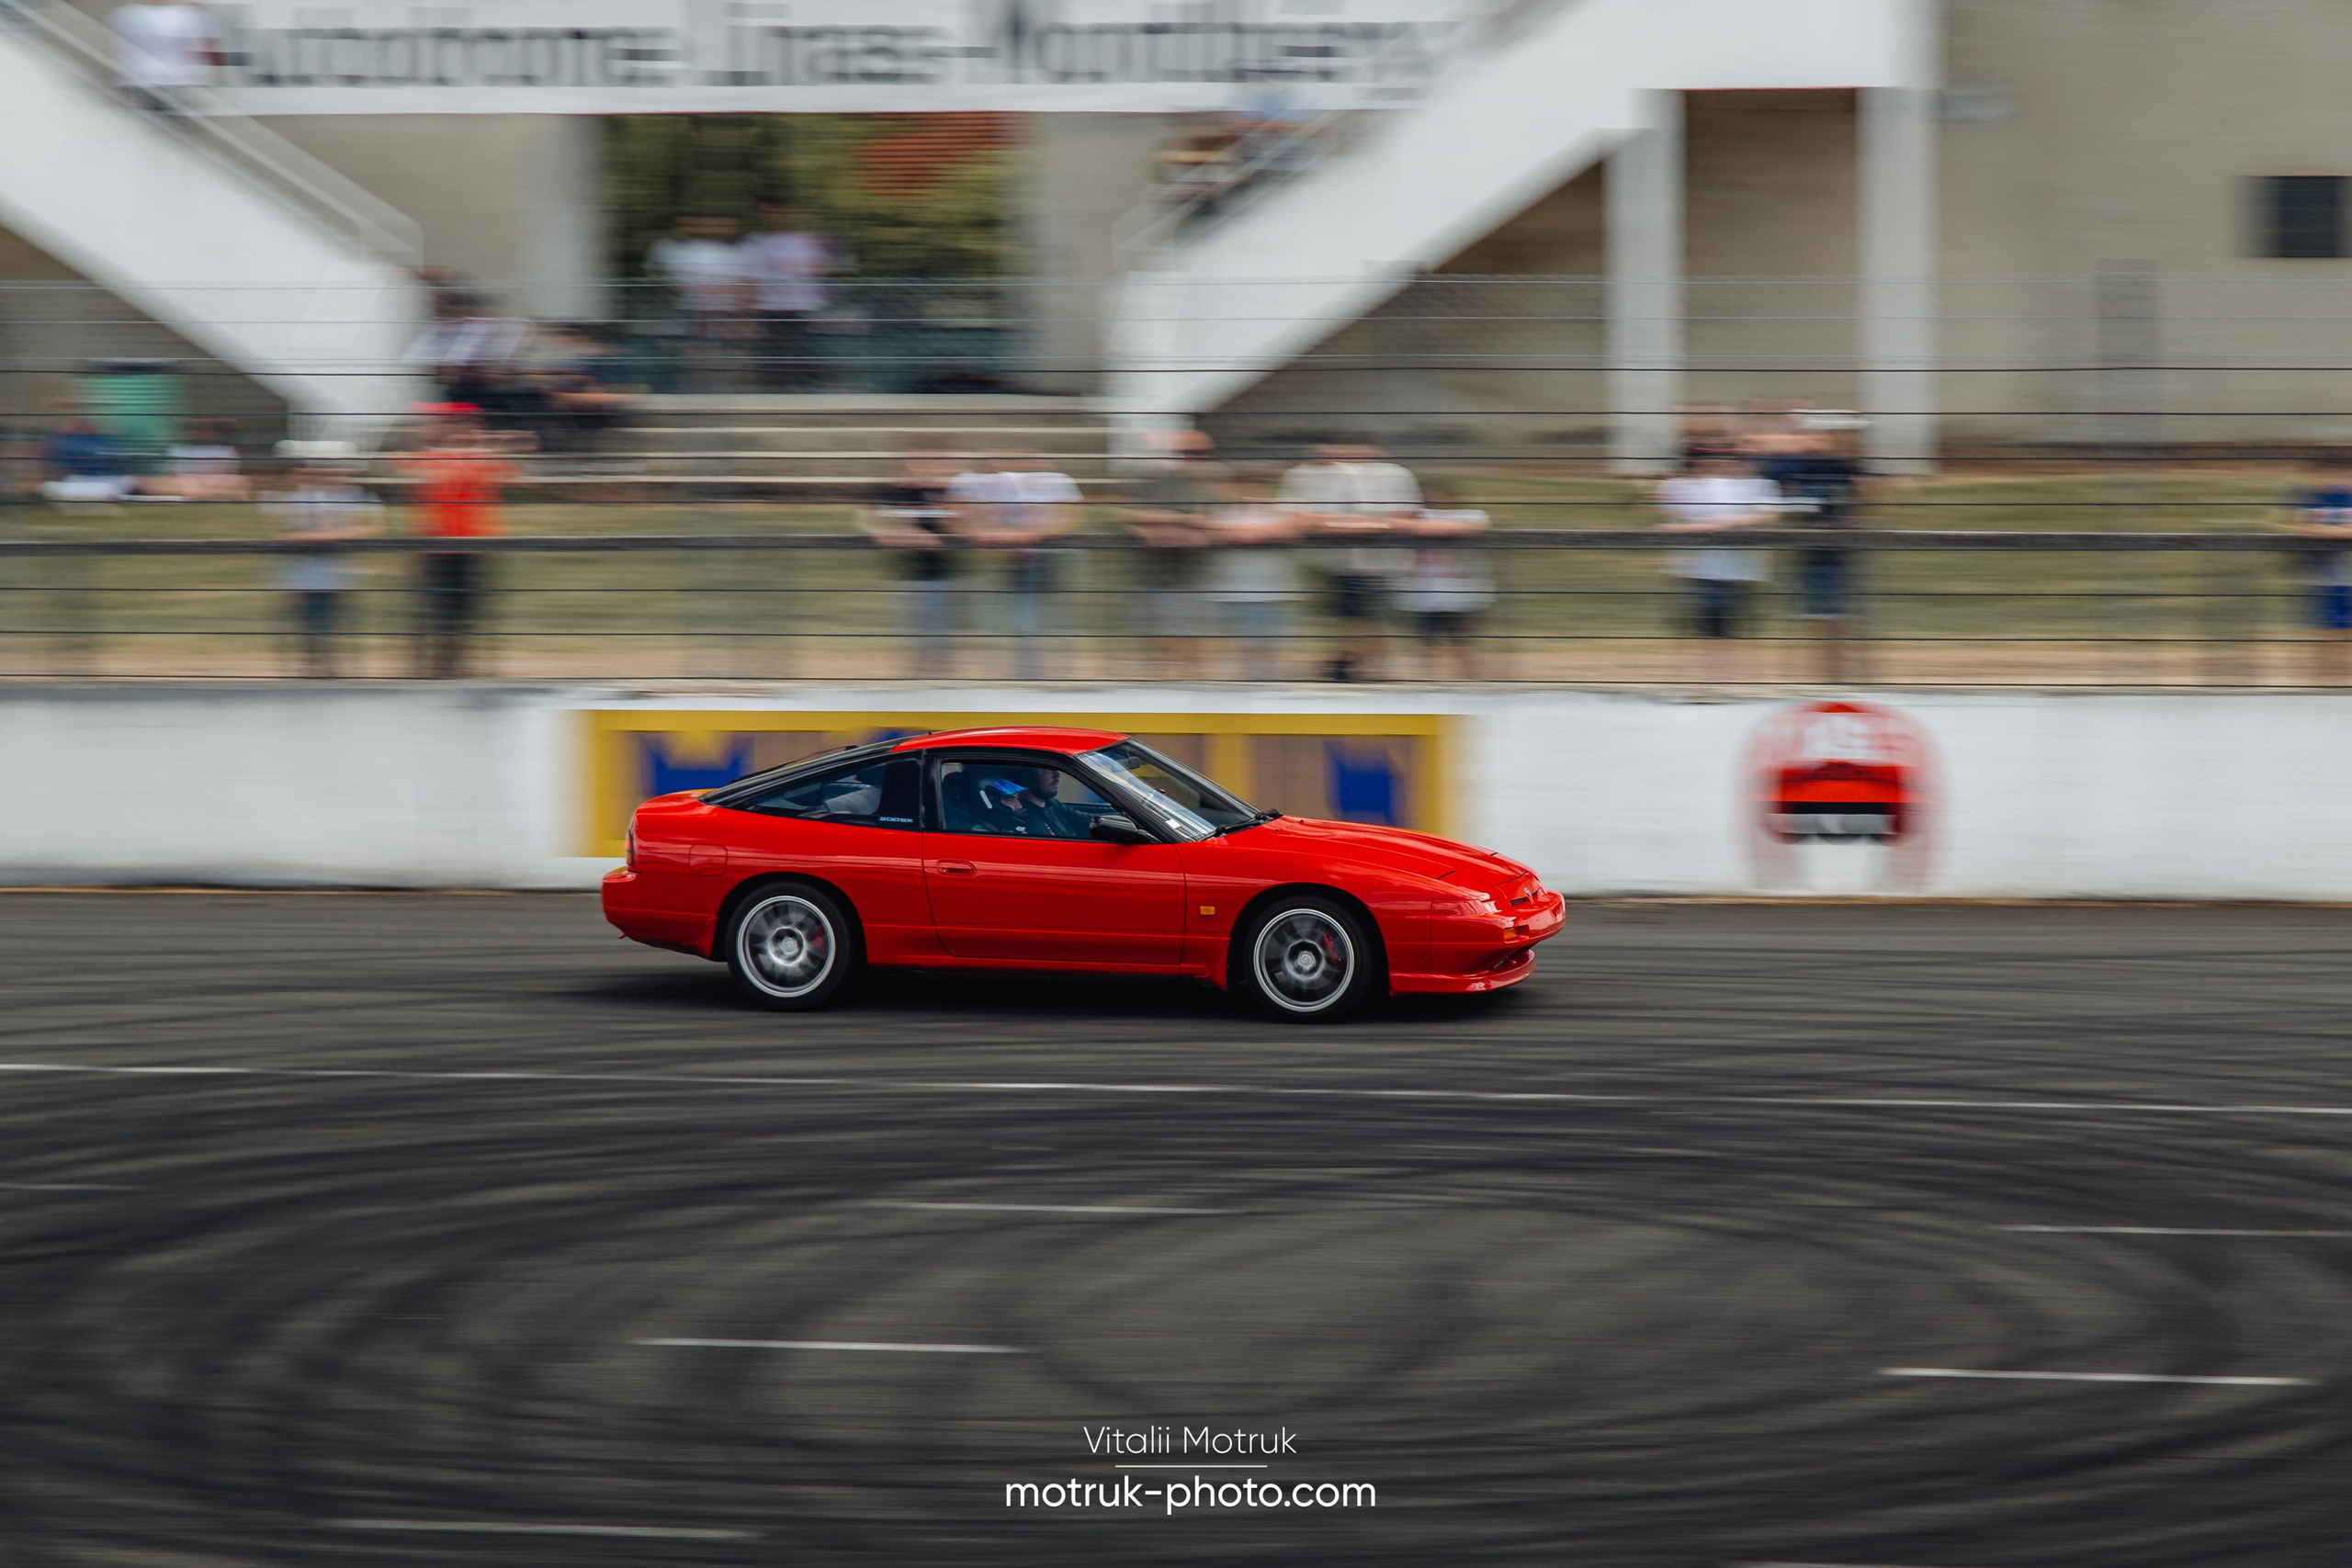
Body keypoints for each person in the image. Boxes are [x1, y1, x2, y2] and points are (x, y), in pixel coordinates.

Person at [1280, 437, 1421, 681]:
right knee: (1338, 618)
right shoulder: (1303, 475)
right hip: (1324, 563)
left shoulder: (1394, 475)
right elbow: (1294, 517)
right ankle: (1343, 664)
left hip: (1379, 564)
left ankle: (1360, 667)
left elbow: (1407, 514)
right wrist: (1360, 525)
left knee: (1372, 619)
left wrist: (1339, 524)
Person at [397, 403, 521, 679]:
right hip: (436, 544)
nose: (461, 430)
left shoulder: (479, 459)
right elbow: (411, 469)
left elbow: (512, 474)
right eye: (453, 424)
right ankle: (438, 664)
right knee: (436, 609)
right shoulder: (431, 457)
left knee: (466, 610)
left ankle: (457, 663)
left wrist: (482, 448)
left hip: (473, 544)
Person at [1756, 410, 1870, 682]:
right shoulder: (1797, 465)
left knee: (1836, 616)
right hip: (1810, 547)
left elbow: (1864, 488)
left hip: (1838, 546)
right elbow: (1771, 477)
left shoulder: (1842, 466)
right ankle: (1816, 674)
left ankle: (1835, 674)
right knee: (1815, 613)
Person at [949, 453, 1080, 681]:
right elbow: (965, 523)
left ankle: (1046, 676)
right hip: (1000, 568)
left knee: (1044, 625)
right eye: (1007, 463)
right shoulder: (981, 487)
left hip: (1044, 567)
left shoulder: (1053, 483)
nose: (1013, 469)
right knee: (1003, 626)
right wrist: (991, 539)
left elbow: (1069, 519)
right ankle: (1009, 676)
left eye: (1019, 463)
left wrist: (1030, 535)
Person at [1655, 448, 1781, 681]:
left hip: (1738, 570)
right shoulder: (1696, 486)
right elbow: (1666, 508)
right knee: (1693, 625)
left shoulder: (1756, 485)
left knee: (1732, 626)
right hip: (1696, 568)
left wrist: (1723, 524)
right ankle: (1696, 678)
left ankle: (1726, 678)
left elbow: (1768, 513)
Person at [266, 440, 379, 678]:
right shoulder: (298, 497)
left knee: (331, 622)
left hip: (337, 573)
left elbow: (372, 527)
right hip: (304, 573)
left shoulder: (353, 496)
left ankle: (329, 667)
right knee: (310, 622)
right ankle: (314, 666)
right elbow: (280, 532)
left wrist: (328, 535)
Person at [1125, 427, 1228, 677]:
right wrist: (1182, 522)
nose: (1191, 458)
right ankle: (1162, 683)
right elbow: (1133, 517)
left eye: (1199, 453)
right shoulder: (1158, 480)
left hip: (1199, 575)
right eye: (1185, 452)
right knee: (1159, 634)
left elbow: (1218, 521)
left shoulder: (1217, 480)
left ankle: (1196, 682)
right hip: (1157, 573)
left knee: (1197, 633)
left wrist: (1173, 524)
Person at [1201, 465, 1306, 678]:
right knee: (1238, 643)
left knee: (1266, 643)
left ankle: (1262, 681)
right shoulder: (1224, 510)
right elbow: (1207, 528)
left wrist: (1245, 533)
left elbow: (1294, 527)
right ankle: (1245, 682)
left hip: (1270, 591)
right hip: (1231, 590)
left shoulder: (1281, 509)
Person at [865, 446, 963, 679]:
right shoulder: (895, 492)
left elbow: (961, 526)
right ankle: (917, 679)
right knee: (912, 636)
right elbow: (879, 528)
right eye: (918, 461)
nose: (926, 466)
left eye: (933, 461)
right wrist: (912, 535)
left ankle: (939, 680)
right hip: (906, 575)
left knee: (940, 636)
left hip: (942, 575)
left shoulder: (947, 492)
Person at [1395, 479, 1494, 682]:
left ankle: (1471, 683)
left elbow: (1478, 523)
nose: (1434, 502)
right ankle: (1425, 684)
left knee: (1464, 645)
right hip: (1425, 599)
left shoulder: (1468, 517)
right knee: (1426, 646)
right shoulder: (1410, 520)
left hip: (1460, 598)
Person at [738, 204, 832, 390]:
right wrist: (748, 304)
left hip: (800, 306)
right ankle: (775, 386)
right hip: (771, 306)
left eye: (778, 213)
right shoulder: (757, 242)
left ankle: (809, 383)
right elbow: (750, 277)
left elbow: (822, 268)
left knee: (803, 346)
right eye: (769, 213)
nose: (774, 218)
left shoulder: (805, 241)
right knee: (774, 348)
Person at [647, 216, 749, 389]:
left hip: (713, 307)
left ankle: (706, 378)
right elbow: (665, 278)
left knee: (709, 344)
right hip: (688, 307)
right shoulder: (673, 248)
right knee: (688, 344)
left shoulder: (723, 250)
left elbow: (732, 281)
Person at [2284, 462, 2352, 683]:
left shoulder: (2344, 498)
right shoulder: (2313, 497)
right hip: (2324, 578)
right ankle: (2325, 681)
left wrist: (2320, 531)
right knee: (2324, 632)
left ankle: (2340, 681)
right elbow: (2296, 526)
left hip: (2342, 577)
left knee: (2342, 634)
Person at [110, 0, 220, 113]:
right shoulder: (190, 16)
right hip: (174, 78)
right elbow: (206, 50)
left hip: (143, 77)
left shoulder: (126, 14)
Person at [40, 400, 130, 505]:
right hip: (80, 481)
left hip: (100, 479)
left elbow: (105, 455)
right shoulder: (56, 440)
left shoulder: (88, 433)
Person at [141, 417, 251, 502]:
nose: (203, 433)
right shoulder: (178, 451)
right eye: (202, 430)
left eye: (207, 430)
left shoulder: (227, 453)